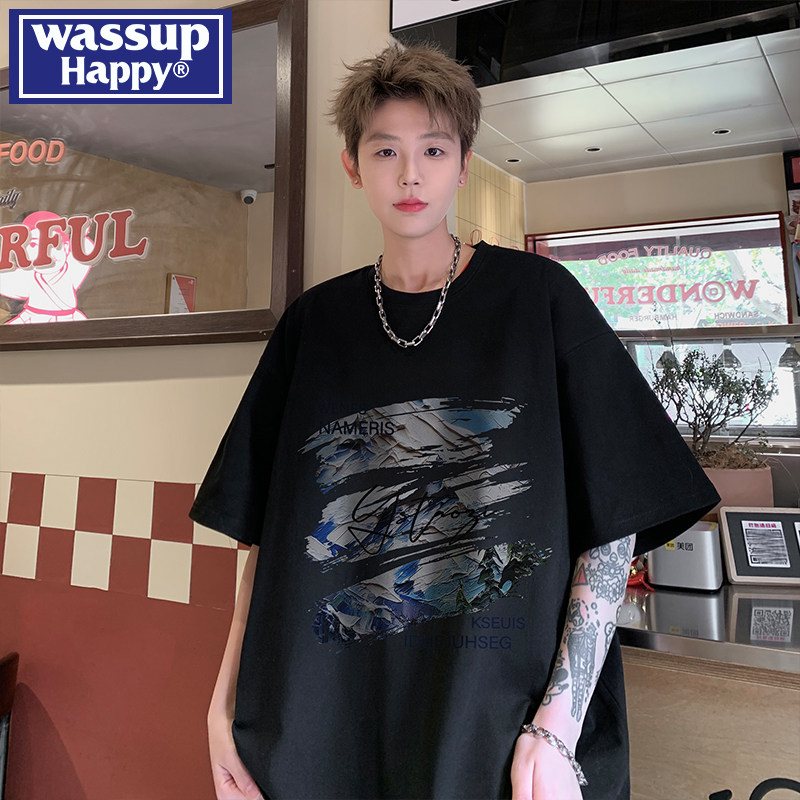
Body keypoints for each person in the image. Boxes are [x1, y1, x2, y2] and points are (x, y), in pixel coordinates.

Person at [191, 44, 720, 800]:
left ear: (463, 165)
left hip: (492, 738)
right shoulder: (313, 325)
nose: (410, 174)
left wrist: (558, 725)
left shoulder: (541, 299)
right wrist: (222, 708)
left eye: (433, 150)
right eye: (386, 151)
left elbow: (615, 523)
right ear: (353, 167)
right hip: (312, 734)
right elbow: (263, 543)